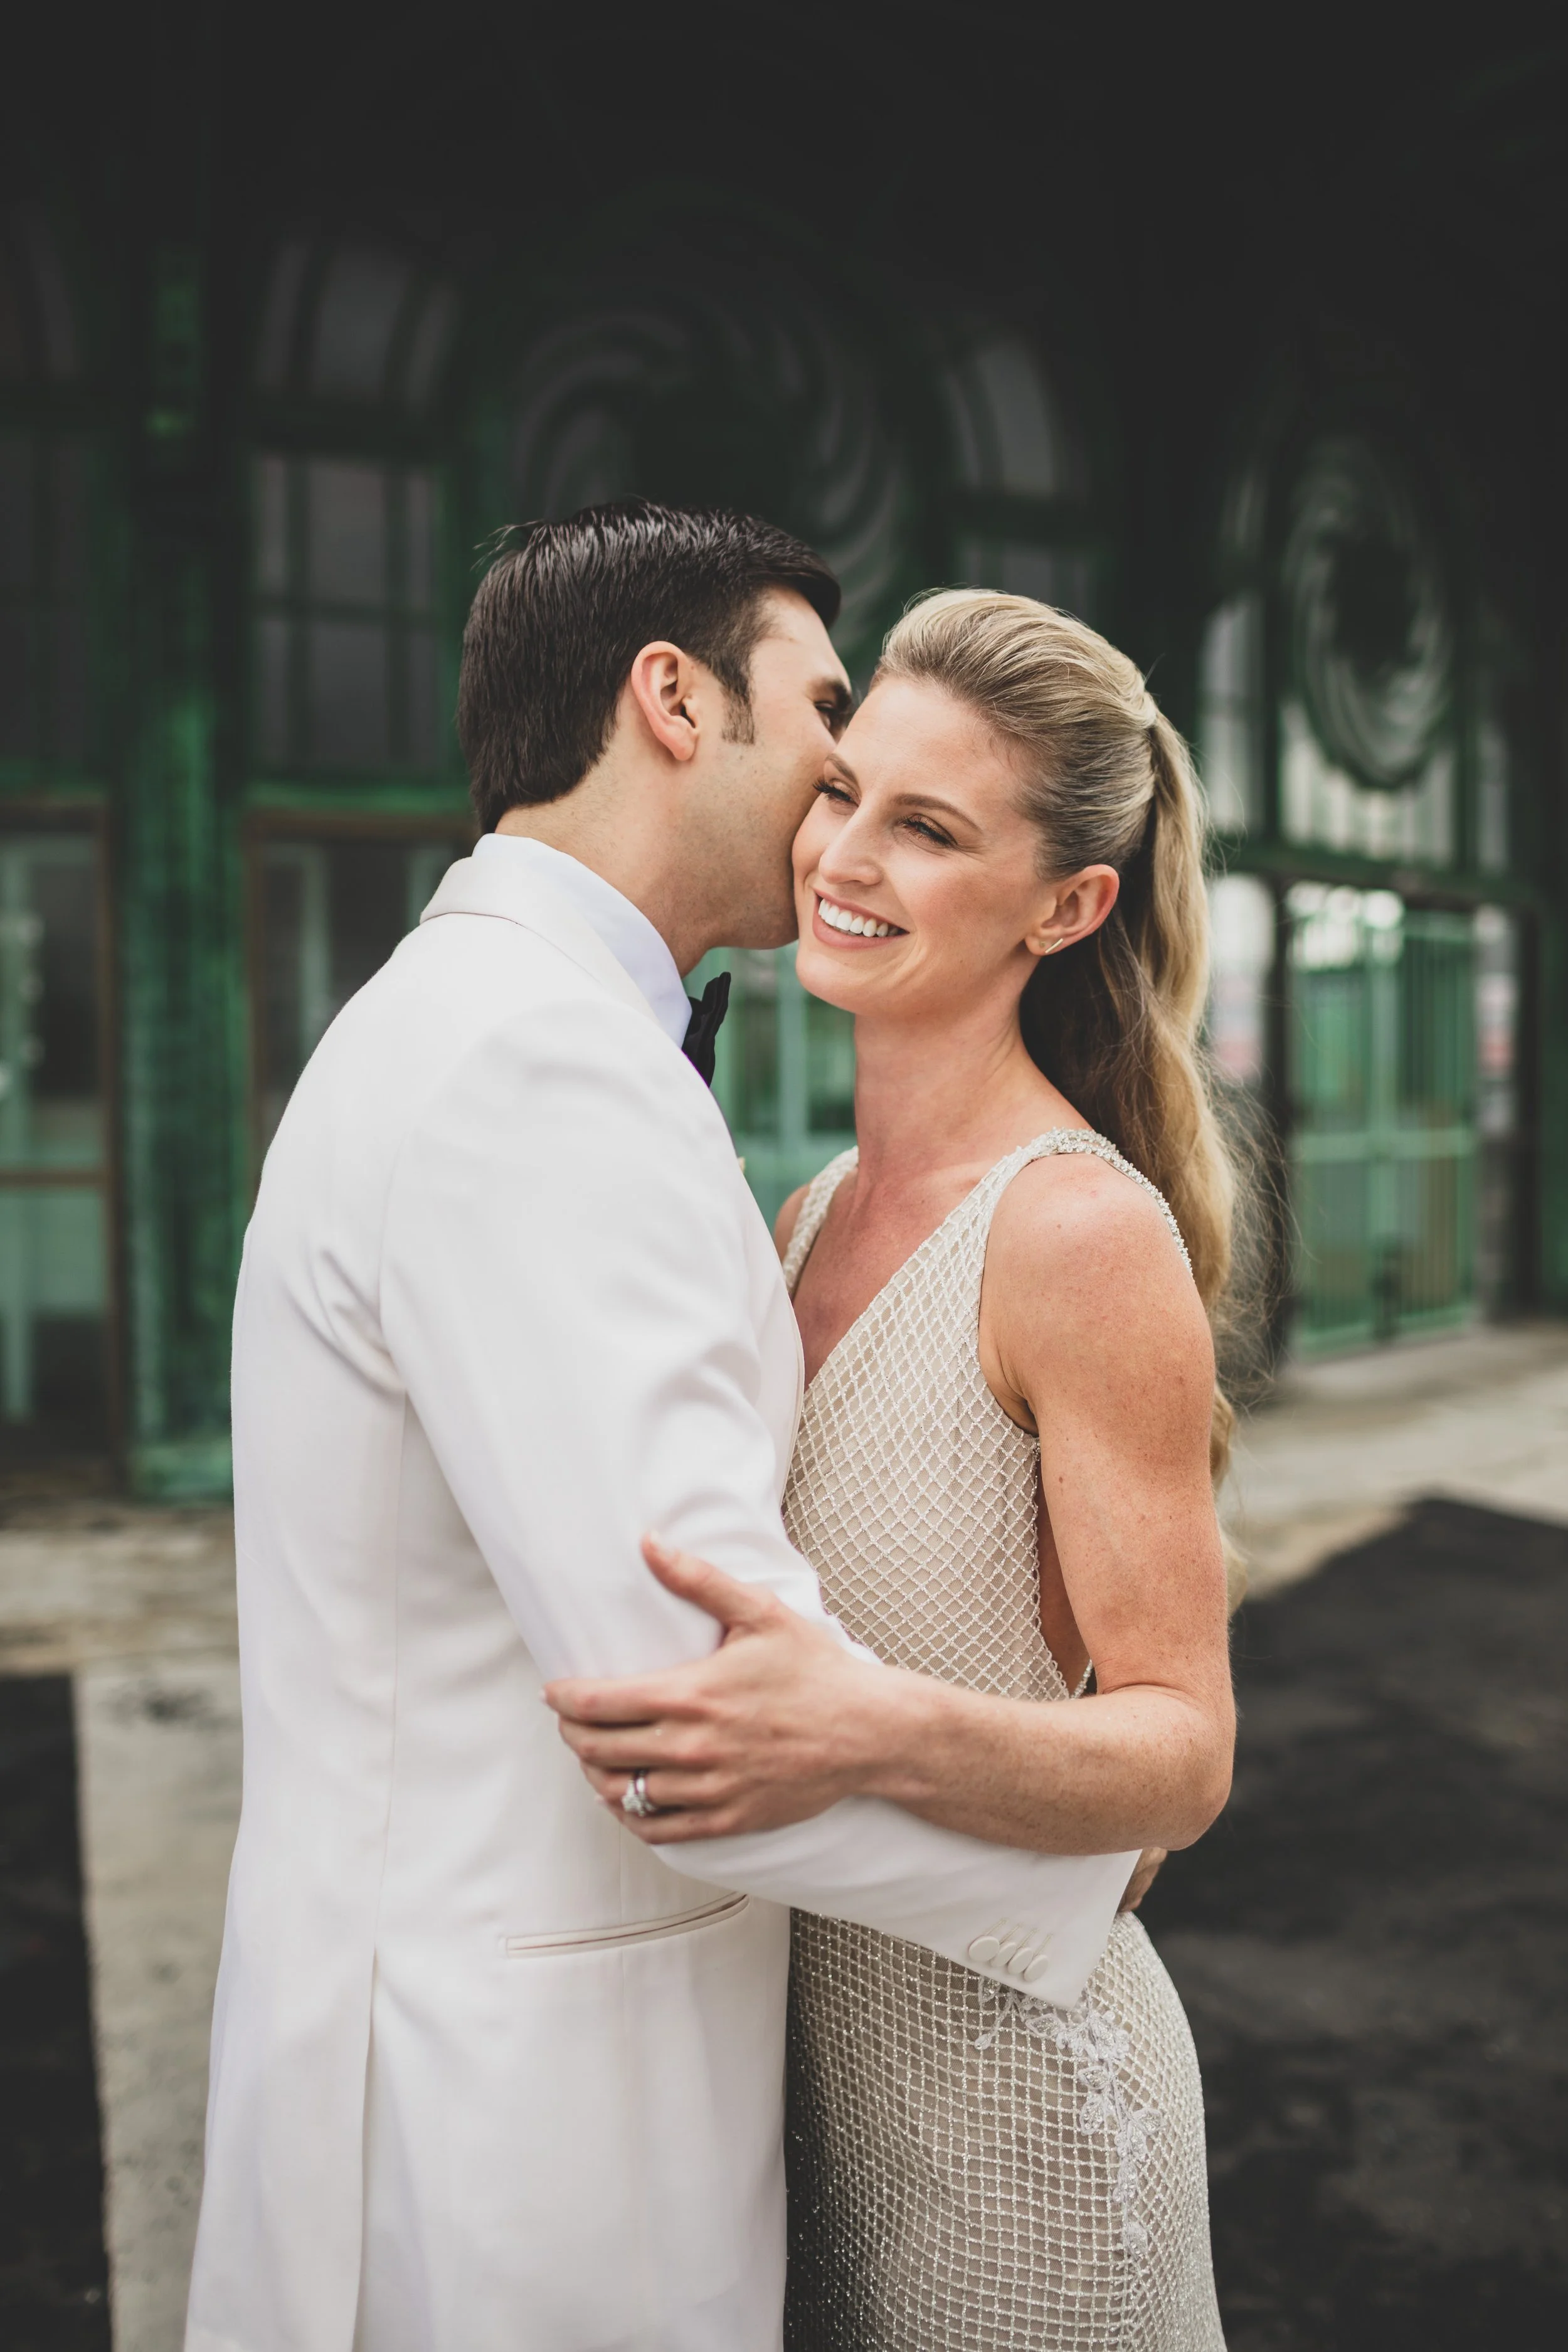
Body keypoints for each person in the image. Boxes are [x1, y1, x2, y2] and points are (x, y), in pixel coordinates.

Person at [184, 512, 1142, 2352]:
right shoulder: (536, 1066)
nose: (839, 795)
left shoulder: (476, 1021)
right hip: (524, 2134)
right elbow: (691, 1706)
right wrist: (1080, 1852)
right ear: (673, 701)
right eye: (824, 724)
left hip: (461, 2048)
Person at [547, 590, 1237, 2348]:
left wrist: (864, 1724)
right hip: (805, 2110)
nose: (843, 851)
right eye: (843, 787)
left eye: (927, 828)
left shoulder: (1078, 1234)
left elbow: (1180, 1744)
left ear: (1066, 906)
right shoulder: (799, 1221)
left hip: (1028, 2127)